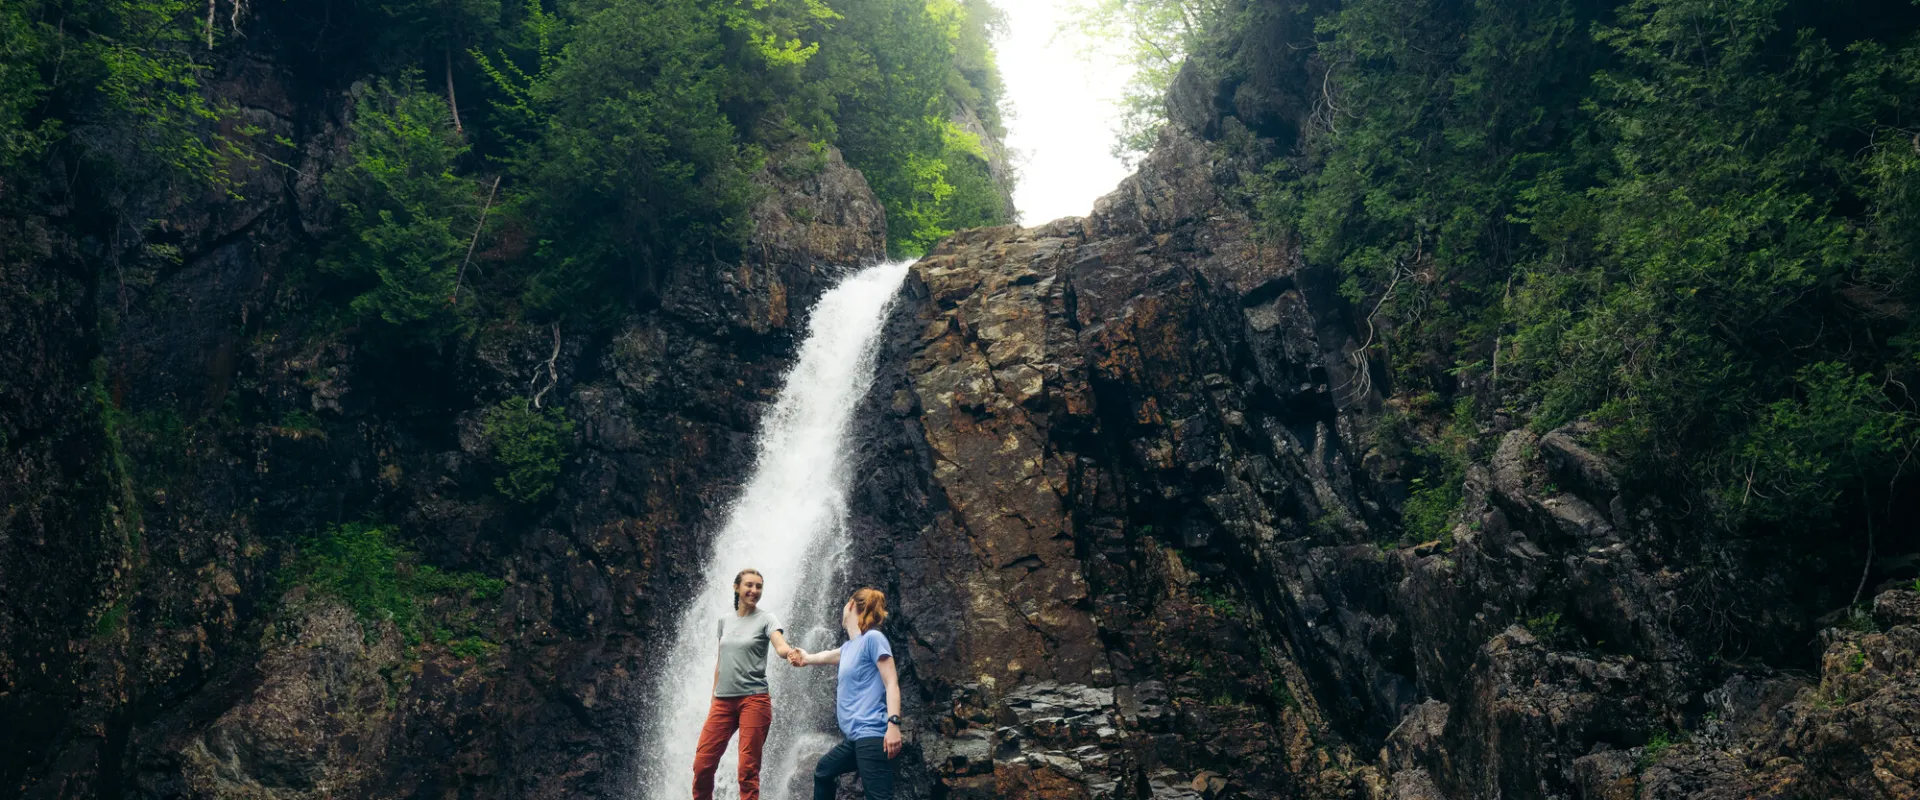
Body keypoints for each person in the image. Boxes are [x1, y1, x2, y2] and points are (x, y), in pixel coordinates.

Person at [787, 588, 902, 800]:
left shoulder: (873, 638)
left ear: (850, 605)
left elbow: (892, 682)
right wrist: (806, 658)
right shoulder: (850, 647)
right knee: (823, 771)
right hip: (856, 737)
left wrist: (893, 724)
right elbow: (826, 656)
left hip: (873, 735)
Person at [692, 568, 798, 800]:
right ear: (737, 587)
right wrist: (714, 699)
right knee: (702, 765)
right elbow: (721, 662)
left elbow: (779, 644)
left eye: (759, 586)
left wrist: (789, 652)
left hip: (754, 700)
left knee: (747, 770)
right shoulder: (724, 621)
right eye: (749, 585)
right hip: (722, 702)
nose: (754, 590)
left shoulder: (767, 618)